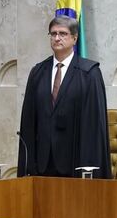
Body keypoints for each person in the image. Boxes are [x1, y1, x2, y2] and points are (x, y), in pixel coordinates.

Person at [17, 15, 110, 178]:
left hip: (75, 162)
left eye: (62, 33)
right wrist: (27, 165)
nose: (57, 38)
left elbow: (95, 125)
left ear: (74, 38)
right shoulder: (38, 72)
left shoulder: (89, 73)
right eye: (53, 34)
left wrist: (89, 168)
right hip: (42, 163)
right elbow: (28, 121)